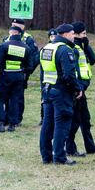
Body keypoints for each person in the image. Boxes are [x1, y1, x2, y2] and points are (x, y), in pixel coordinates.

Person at [39, 24, 83, 165]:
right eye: (72, 33)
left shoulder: (46, 48)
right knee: (61, 124)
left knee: (47, 124)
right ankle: (59, 156)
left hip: (47, 90)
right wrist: (77, 88)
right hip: (61, 92)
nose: (73, 36)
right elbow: (69, 75)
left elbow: (43, 72)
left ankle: (46, 156)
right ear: (64, 34)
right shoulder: (64, 50)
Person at [0, 25, 36, 132]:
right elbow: (30, 66)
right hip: (19, 77)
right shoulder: (26, 48)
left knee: (0, 99)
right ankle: (12, 124)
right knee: (15, 99)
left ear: (11, 33)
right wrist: (24, 76)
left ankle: (0, 123)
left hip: (5, 76)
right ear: (19, 34)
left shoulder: (4, 46)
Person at [66, 21, 95, 157]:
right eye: (83, 33)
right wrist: (78, 88)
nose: (85, 35)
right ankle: (70, 148)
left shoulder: (82, 46)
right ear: (76, 34)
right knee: (75, 120)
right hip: (77, 89)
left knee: (85, 120)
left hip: (82, 89)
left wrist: (86, 44)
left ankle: (90, 146)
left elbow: (93, 60)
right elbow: (73, 70)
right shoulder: (72, 48)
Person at [39, 28, 58, 127]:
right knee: (44, 99)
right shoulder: (45, 49)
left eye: (55, 36)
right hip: (45, 77)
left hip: (55, 79)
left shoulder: (59, 48)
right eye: (51, 36)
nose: (53, 38)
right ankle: (43, 118)